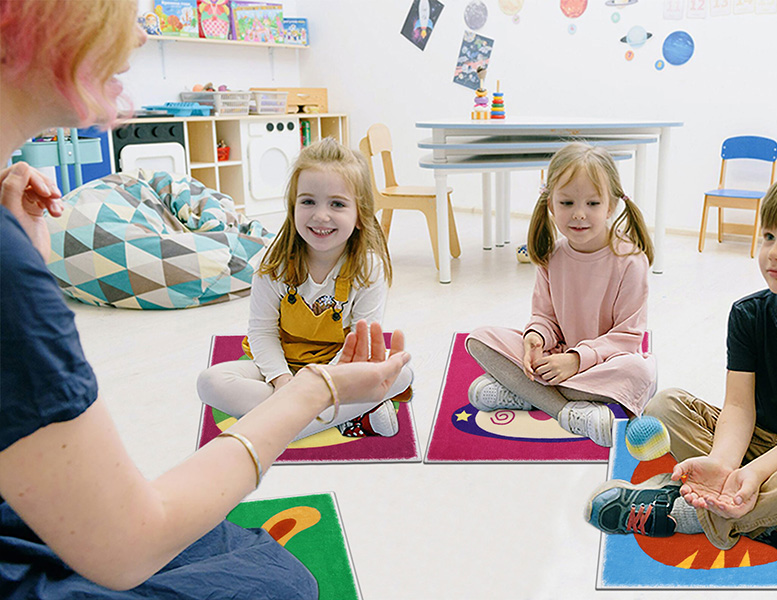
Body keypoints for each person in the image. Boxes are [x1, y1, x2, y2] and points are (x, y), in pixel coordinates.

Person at [0, 1, 409, 597]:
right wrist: (307, 391)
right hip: (54, 546)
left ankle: (337, 407)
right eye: (120, 10)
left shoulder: (366, 265)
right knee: (281, 582)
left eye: (338, 206)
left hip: (44, 511)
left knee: (264, 560)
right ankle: (337, 410)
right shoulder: (11, 275)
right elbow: (127, 546)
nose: (141, 34)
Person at [585, 167, 777, 590]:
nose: (774, 253)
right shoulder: (748, 314)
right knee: (665, 406)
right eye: (768, 236)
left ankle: (685, 514)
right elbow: (737, 406)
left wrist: (754, 474)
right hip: (758, 441)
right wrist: (725, 464)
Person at [196, 138, 414, 440]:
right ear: (293, 206)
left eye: (337, 204)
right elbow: (262, 333)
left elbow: (358, 344)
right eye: (308, 201)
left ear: (360, 214)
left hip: (337, 371)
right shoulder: (272, 262)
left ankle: (273, 426)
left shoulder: (369, 268)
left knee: (401, 374)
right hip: (279, 369)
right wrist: (284, 381)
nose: (321, 215)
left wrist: (318, 384)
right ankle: (345, 415)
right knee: (210, 381)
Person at [465, 142, 658, 447]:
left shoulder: (631, 261)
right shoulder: (552, 256)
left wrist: (576, 360)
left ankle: (525, 393)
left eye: (592, 204)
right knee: (480, 338)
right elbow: (545, 317)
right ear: (551, 205)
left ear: (611, 205)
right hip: (558, 360)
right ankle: (566, 409)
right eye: (567, 203)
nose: (579, 214)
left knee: (639, 372)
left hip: (605, 364)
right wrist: (536, 339)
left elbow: (627, 338)